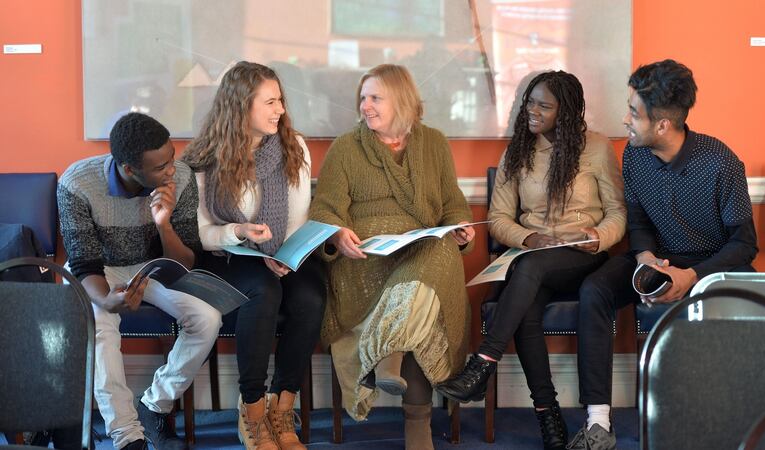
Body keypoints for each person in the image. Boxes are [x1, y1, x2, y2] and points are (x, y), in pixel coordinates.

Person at [568, 59, 758, 449]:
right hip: (658, 259)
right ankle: (599, 423)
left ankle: (725, 420)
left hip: (713, 264)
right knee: (595, 289)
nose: (625, 120)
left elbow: (744, 244)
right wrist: (645, 258)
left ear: (662, 125)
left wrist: (692, 276)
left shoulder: (721, 162)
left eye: (633, 113)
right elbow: (638, 221)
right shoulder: (635, 156)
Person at [435, 71, 626, 450]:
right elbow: (499, 218)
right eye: (529, 102)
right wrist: (529, 237)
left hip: (581, 258)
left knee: (528, 268)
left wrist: (597, 237)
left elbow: (617, 211)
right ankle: (548, 417)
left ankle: (483, 363)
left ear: (567, 111)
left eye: (543, 105)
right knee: (527, 297)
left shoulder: (597, 148)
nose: (532, 111)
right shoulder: (518, 151)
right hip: (533, 257)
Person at [309, 64, 475, 450]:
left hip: (422, 251)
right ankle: (416, 423)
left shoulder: (433, 142)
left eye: (375, 98)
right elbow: (324, 210)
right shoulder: (347, 148)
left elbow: (452, 205)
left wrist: (460, 227)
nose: (365, 106)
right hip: (365, 263)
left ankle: (390, 354)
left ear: (401, 100)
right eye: (362, 98)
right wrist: (336, 232)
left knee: (438, 251)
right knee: (423, 299)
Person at [182, 61, 325, 450]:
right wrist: (239, 232)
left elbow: (297, 218)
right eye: (270, 101)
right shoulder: (205, 157)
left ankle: (284, 406)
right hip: (227, 255)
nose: (280, 109)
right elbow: (199, 233)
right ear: (241, 105)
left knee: (311, 296)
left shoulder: (293, 147)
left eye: (280, 100)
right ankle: (253, 410)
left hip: (283, 250)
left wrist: (282, 254)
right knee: (262, 289)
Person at [57, 112, 222, 450]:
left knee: (208, 318)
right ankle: (126, 435)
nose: (171, 170)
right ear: (129, 169)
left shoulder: (184, 178)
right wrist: (107, 300)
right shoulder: (77, 183)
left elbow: (186, 260)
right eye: (160, 167)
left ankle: (155, 405)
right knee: (100, 324)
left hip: (153, 265)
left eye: (171, 158)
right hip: (97, 271)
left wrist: (164, 224)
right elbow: (84, 263)